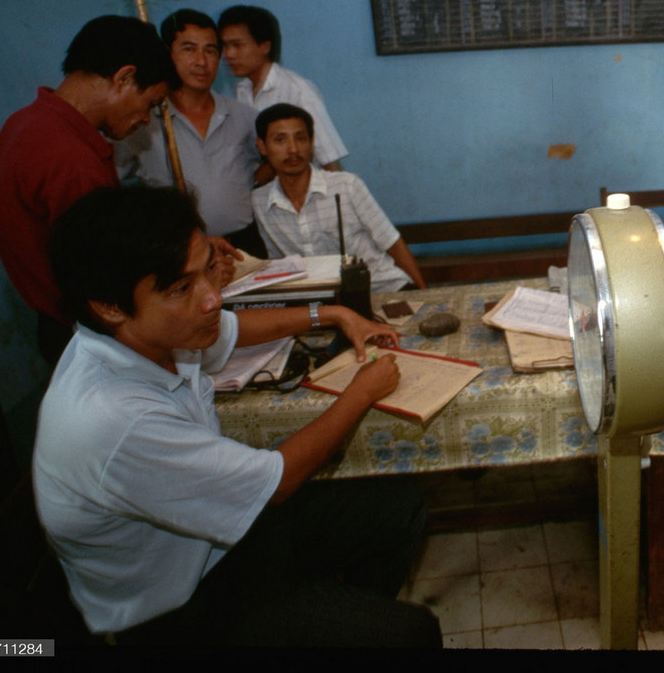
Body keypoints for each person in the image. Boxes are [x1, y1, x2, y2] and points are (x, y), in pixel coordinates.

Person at [31, 184, 441, 648]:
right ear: (108, 307)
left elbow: (232, 327)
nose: (211, 299)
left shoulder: (154, 334)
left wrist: (332, 314)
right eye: (182, 288)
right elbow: (279, 480)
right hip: (179, 606)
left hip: (212, 543)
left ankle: (330, 620)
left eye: (209, 270)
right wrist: (360, 391)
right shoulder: (112, 418)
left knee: (398, 507)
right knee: (412, 635)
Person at [0, 15, 177, 365]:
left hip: (61, 323)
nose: (145, 120)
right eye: (151, 104)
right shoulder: (71, 159)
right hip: (88, 334)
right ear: (124, 77)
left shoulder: (26, 122)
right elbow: (110, 271)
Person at [115, 9, 270, 257]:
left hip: (243, 246)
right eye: (189, 49)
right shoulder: (145, 121)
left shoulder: (243, 116)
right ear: (167, 54)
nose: (201, 61)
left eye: (210, 51)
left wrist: (248, 184)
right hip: (178, 251)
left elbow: (271, 162)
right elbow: (112, 181)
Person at [252, 103, 426, 292]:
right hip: (323, 303)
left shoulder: (346, 186)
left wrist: (425, 293)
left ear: (311, 143)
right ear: (262, 146)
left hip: (380, 289)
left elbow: (392, 242)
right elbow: (278, 264)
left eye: (300, 138)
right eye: (280, 140)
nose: (293, 149)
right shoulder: (260, 201)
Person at [218, 5, 349, 171]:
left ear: (264, 46)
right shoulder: (242, 89)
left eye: (237, 45)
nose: (228, 54)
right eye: (225, 46)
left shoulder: (298, 90)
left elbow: (329, 159)